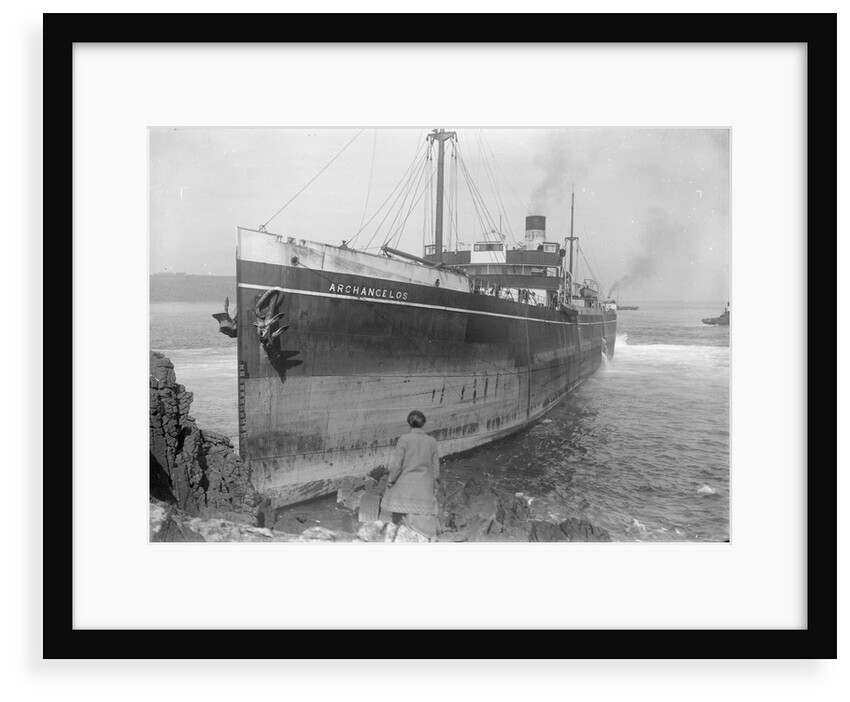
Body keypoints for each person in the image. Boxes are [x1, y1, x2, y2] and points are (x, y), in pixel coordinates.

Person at [382, 410, 440, 540]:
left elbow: (397, 466)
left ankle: (403, 533)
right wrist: (435, 486)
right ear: (423, 423)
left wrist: (391, 481)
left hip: (405, 488)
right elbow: (436, 469)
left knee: (398, 513)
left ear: (409, 423)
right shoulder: (432, 441)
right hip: (424, 488)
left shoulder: (404, 439)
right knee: (422, 519)